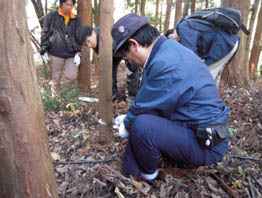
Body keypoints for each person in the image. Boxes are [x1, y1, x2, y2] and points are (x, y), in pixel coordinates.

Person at [112, 13, 230, 181]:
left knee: (143, 125)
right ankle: (132, 171)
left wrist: (128, 122)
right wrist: (129, 119)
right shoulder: (166, 50)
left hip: (205, 144)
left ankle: (148, 177)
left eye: (127, 55)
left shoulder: (166, 64)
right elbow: (150, 100)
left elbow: (143, 107)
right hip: (194, 130)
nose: (130, 60)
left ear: (134, 44)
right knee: (140, 122)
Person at [165, 17, 240, 87]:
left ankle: (205, 99)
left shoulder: (183, 28)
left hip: (224, 43)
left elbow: (190, 55)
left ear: (175, 29)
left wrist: (196, 60)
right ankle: (212, 98)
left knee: (204, 77)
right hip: (229, 43)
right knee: (211, 78)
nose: (173, 41)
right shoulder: (188, 25)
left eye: (171, 37)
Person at [75, 25, 141, 101]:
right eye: (86, 44)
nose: (89, 45)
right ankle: (112, 97)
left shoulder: (105, 33)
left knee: (132, 69)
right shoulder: (95, 41)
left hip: (124, 48)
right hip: (112, 55)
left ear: (93, 32)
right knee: (109, 73)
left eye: (89, 41)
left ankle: (132, 97)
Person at [39, 0, 81, 97]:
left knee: (71, 76)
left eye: (71, 5)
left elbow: (78, 36)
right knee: (56, 78)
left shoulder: (76, 19)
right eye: (67, 4)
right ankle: (55, 99)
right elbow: (44, 32)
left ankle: (64, 97)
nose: (69, 7)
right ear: (62, 4)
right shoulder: (52, 16)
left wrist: (78, 53)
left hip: (71, 53)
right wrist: (43, 49)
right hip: (55, 52)